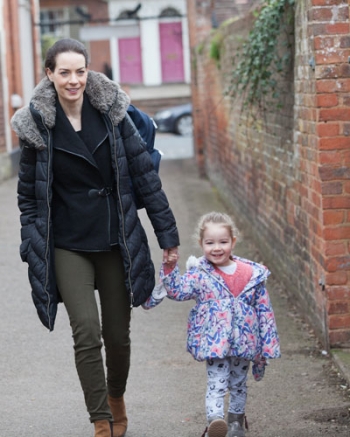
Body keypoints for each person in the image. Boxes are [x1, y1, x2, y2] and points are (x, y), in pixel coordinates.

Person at [11, 38, 179, 437]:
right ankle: (101, 419)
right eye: (64, 72)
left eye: (80, 71)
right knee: (86, 331)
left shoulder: (112, 114)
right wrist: (30, 241)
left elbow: (145, 176)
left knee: (117, 336)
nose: (74, 80)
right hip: (67, 242)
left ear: (88, 72)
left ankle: (116, 395)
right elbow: (28, 197)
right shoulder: (37, 126)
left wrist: (167, 235)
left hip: (115, 237)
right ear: (49, 75)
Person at [144, 211, 280, 437]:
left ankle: (236, 423)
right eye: (210, 243)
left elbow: (264, 311)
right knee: (217, 382)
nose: (217, 248)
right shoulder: (200, 275)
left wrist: (267, 345)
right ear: (201, 244)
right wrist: (170, 267)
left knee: (238, 383)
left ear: (233, 242)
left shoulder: (251, 275)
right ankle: (216, 421)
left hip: (244, 344)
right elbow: (177, 291)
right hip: (215, 345)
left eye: (223, 242)